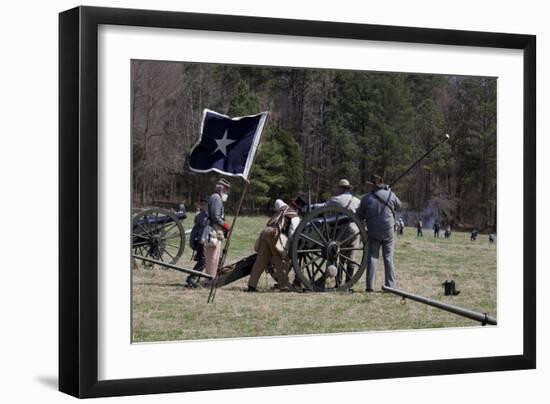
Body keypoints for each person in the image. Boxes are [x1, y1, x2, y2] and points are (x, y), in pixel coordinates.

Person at [356, 174, 401, 292]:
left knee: (372, 257)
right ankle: (390, 286)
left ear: (372, 185)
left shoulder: (366, 198)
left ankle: (370, 286)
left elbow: (359, 215)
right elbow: (399, 206)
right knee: (388, 257)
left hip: (373, 231)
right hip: (388, 231)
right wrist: (390, 192)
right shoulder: (391, 195)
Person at [247, 199, 300, 292]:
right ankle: (284, 286)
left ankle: (252, 285)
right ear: (298, 209)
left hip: (266, 232)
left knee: (261, 260)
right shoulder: (295, 216)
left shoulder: (282, 208)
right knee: (282, 261)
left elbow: (278, 201)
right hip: (274, 234)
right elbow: (292, 233)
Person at [325, 179, 361, 284]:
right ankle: (349, 283)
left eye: (338, 188)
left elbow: (323, 207)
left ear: (341, 188)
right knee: (351, 256)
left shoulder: (336, 199)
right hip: (355, 230)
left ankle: (338, 282)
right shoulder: (357, 201)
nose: (336, 190)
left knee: (339, 255)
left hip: (342, 229)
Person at [203, 178, 232, 284]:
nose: (227, 192)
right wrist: (226, 226)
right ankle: (210, 279)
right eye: (226, 190)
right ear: (221, 189)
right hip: (214, 230)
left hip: (216, 230)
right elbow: (215, 216)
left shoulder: (216, 197)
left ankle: (211, 277)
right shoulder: (216, 198)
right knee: (213, 257)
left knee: (214, 256)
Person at [185, 199, 208, 288]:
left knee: (205, 261)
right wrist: (192, 241)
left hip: (209, 241)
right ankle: (191, 277)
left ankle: (195, 278)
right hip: (201, 241)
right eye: (202, 204)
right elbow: (195, 230)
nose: (203, 205)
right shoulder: (200, 216)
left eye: (205, 204)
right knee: (203, 260)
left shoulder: (211, 216)